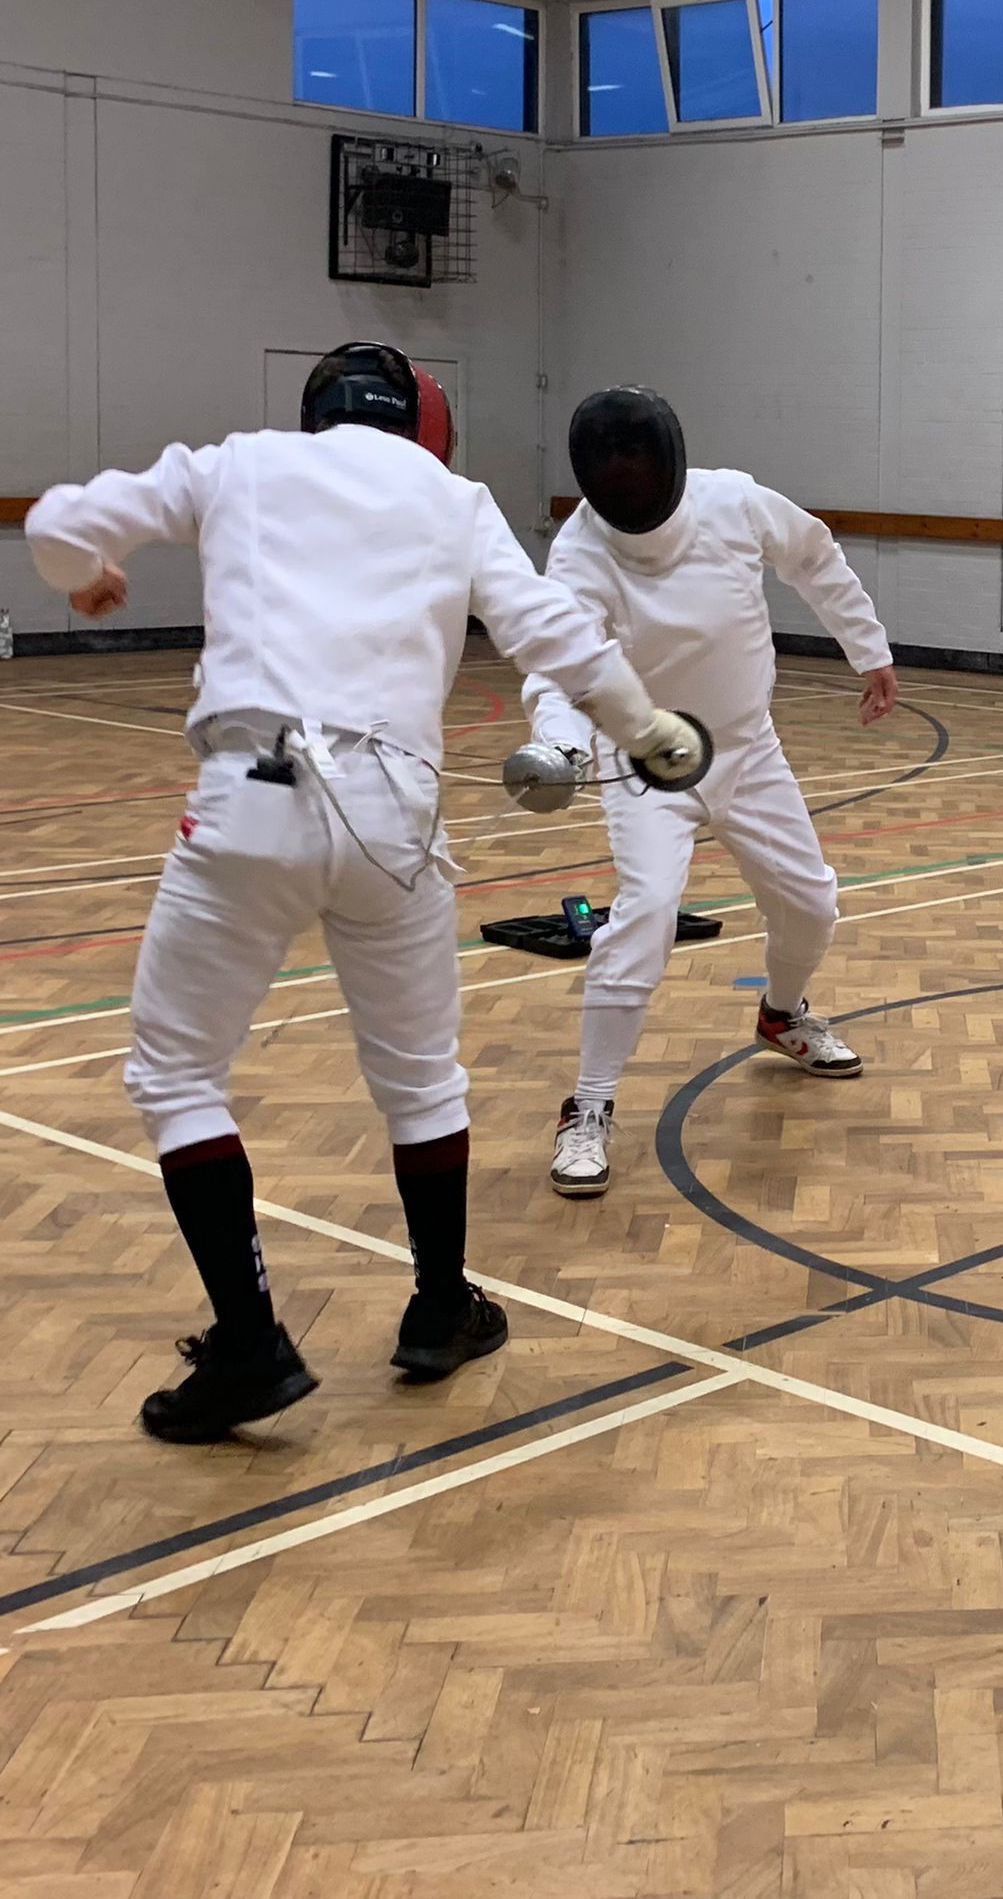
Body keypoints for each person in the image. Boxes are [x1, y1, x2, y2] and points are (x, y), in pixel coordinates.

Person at [24, 344, 704, 1441]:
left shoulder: (240, 464)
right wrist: (650, 729)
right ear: (422, 422)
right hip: (396, 814)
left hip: (252, 798)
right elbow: (552, 633)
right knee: (421, 1078)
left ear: (314, 413)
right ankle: (440, 1307)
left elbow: (61, 518)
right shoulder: (453, 494)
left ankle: (249, 1344)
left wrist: (84, 577)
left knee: (177, 1071)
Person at [522, 386, 898, 1199]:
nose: (629, 485)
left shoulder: (733, 501)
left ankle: (782, 1014)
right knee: (647, 914)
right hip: (647, 761)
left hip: (748, 749)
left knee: (812, 906)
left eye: (639, 467)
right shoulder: (581, 551)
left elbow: (814, 556)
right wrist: (557, 743)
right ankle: (586, 1107)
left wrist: (867, 648)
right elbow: (563, 664)